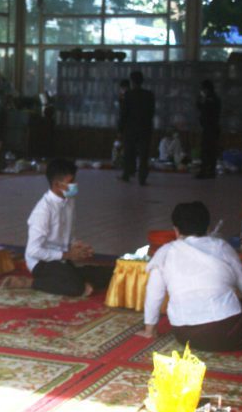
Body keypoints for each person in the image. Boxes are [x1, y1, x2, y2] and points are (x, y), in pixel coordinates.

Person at [138, 201, 242, 360]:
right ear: (208, 228)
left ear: (176, 230)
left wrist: (149, 329)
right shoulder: (221, 247)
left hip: (185, 335)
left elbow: (154, 294)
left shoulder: (165, 252)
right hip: (229, 331)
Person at [22, 158, 111, 297]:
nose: (75, 185)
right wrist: (67, 255)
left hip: (61, 260)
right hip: (42, 263)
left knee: (110, 273)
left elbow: (69, 234)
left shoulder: (69, 201)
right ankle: (30, 283)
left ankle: (73, 280)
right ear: (57, 184)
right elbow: (33, 251)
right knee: (75, 287)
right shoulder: (43, 211)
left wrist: (78, 247)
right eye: (70, 182)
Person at [119, 71, 155, 186]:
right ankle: (142, 178)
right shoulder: (149, 95)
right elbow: (152, 112)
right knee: (144, 155)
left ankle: (126, 174)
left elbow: (124, 113)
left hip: (130, 129)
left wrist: (120, 129)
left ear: (132, 81)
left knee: (129, 152)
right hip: (145, 128)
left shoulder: (128, 95)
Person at [196, 80, 221, 179]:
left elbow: (204, 109)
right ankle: (210, 171)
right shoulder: (213, 99)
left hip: (210, 128)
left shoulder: (212, 99)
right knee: (210, 150)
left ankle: (205, 171)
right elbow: (199, 107)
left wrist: (203, 99)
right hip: (210, 128)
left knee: (207, 150)